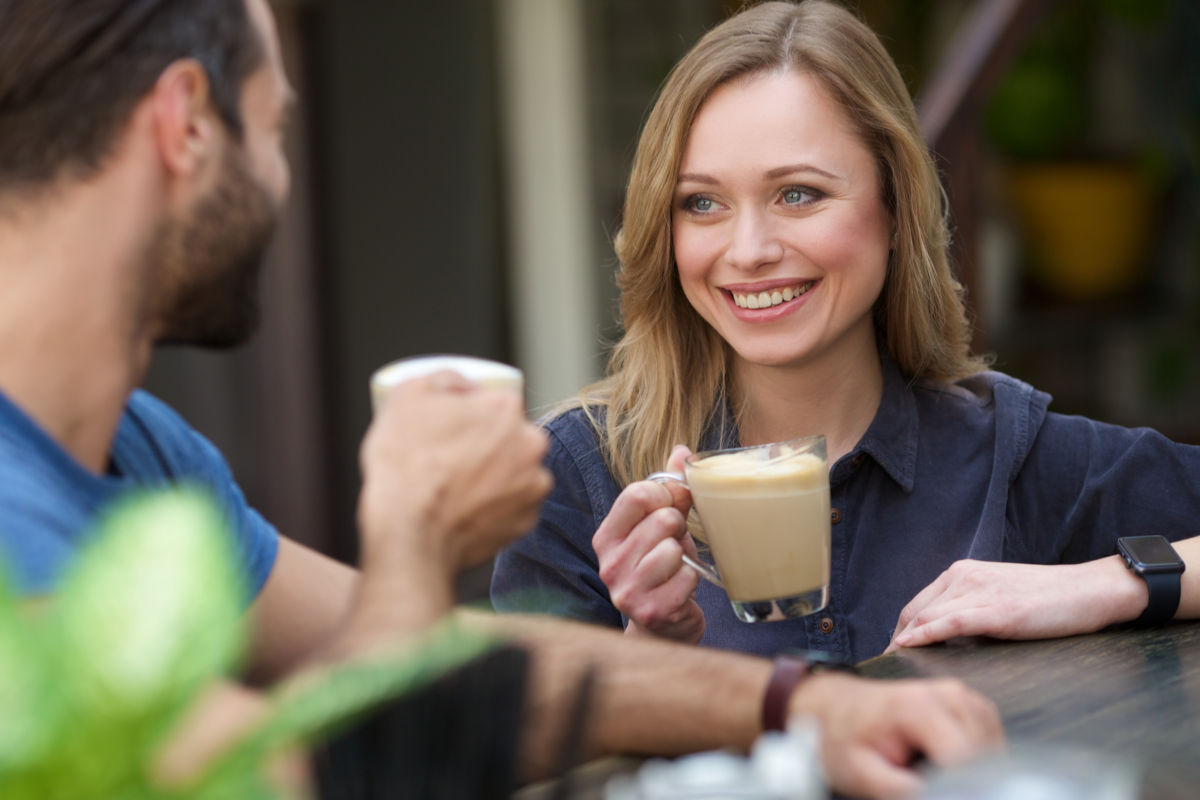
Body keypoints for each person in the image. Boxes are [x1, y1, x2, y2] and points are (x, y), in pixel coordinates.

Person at [0, 0, 1003, 797]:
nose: (280, 179)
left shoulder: (140, 451)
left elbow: (467, 660)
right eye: (270, 129)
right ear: (183, 124)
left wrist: (802, 705)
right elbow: (293, 774)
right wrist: (410, 547)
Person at [490, 0, 1200, 663]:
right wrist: (650, 648)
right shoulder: (575, 480)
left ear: (895, 209)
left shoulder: (1007, 457)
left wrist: (1107, 584)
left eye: (798, 194)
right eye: (701, 203)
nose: (748, 249)